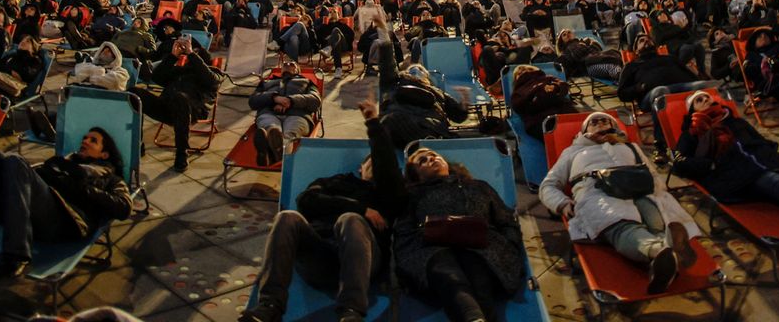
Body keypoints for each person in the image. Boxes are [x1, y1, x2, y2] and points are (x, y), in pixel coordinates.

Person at [241, 101, 405, 322]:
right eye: (370, 162)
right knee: (287, 217)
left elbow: (386, 163)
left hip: (364, 259)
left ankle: (351, 312)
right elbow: (306, 200)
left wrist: (373, 122)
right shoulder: (336, 181)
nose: (375, 165)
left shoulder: (387, 195)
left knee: (350, 220)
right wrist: (361, 208)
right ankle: (269, 307)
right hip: (321, 258)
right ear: (360, 169)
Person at [537, 112, 700, 294]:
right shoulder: (572, 152)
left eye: (605, 121)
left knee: (656, 219)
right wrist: (562, 203)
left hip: (641, 189)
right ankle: (659, 251)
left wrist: (660, 193)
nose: (600, 123)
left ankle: (666, 256)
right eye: (594, 122)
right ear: (584, 131)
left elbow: (653, 173)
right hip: (596, 193)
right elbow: (547, 185)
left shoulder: (630, 146)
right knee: (621, 225)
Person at [0, 126, 133, 278]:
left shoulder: (111, 178)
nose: (85, 141)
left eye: (94, 141)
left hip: (65, 221)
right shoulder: (65, 163)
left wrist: (82, 189)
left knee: (15, 162)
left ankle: (17, 256)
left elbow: (124, 207)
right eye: (85, 137)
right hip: (29, 210)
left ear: (104, 155)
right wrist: (57, 170)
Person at [671, 89, 779, 227]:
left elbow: (759, 139)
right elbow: (679, 162)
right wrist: (709, 165)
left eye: (706, 97)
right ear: (692, 110)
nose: (705, 100)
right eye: (698, 101)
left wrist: (769, 151)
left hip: (766, 158)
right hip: (738, 170)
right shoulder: (692, 133)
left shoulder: (735, 121)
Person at [392, 145, 525, 322]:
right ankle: (474, 317)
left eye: (433, 155)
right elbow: (404, 231)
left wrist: (510, 245)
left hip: (482, 245)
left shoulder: (478, 186)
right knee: (446, 272)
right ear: (416, 176)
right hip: (431, 247)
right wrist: (412, 254)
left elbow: (505, 219)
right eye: (422, 161)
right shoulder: (414, 195)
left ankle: (474, 318)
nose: (431, 159)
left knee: (478, 272)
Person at [137, 33, 222, 172]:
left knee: (180, 98)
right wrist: (172, 57)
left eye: (193, 51)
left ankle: (182, 153)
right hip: (166, 108)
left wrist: (192, 54)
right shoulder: (178, 71)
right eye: (187, 51)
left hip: (192, 111)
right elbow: (157, 78)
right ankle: (137, 144)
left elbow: (211, 81)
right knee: (135, 94)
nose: (187, 53)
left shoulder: (214, 73)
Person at [247, 58, 322, 166]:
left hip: (297, 115)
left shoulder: (307, 82)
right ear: (281, 70)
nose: (287, 64)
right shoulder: (267, 83)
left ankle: (268, 154)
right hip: (269, 113)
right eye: (284, 64)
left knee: (289, 134)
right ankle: (277, 155)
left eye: (292, 64)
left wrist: (291, 101)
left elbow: (315, 101)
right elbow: (253, 101)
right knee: (272, 129)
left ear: (298, 71)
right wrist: (274, 98)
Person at [507, 64, 579, 138]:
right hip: (540, 120)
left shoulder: (548, 78)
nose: (526, 73)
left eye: (530, 70)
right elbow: (518, 106)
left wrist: (556, 88)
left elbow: (563, 87)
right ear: (516, 79)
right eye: (520, 73)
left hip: (563, 111)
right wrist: (536, 93)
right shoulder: (518, 92)